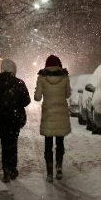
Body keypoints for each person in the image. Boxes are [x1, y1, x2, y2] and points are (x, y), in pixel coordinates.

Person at [0, 59, 31, 183]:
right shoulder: (19, 83)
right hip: (15, 118)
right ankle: (12, 168)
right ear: (14, 70)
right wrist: (16, 105)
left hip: (1, 118)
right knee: (13, 143)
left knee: (4, 143)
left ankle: (6, 169)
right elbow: (27, 101)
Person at [34, 54, 71, 182]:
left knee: (48, 143)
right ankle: (59, 167)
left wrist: (40, 91)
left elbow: (37, 97)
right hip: (61, 113)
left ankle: (49, 172)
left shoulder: (42, 77)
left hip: (48, 114)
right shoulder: (64, 76)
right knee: (60, 142)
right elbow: (68, 94)